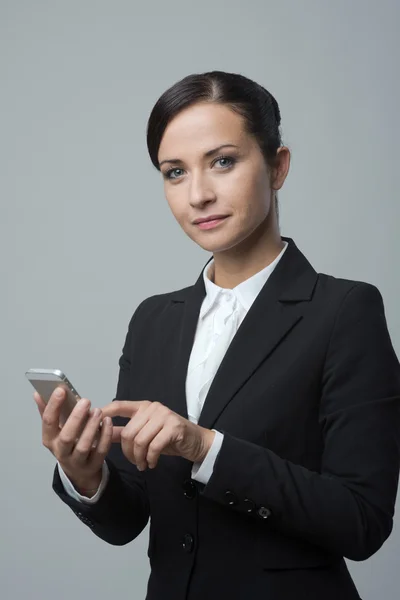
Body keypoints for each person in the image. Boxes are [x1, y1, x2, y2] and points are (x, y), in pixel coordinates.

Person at [33, 71, 400, 600]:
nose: (199, 194)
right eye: (174, 172)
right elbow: (126, 523)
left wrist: (205, 447)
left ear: (278, 166)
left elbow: (362, 522)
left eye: (223, 161)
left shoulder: (345, 310)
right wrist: (85, 474)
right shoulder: (153, 320)